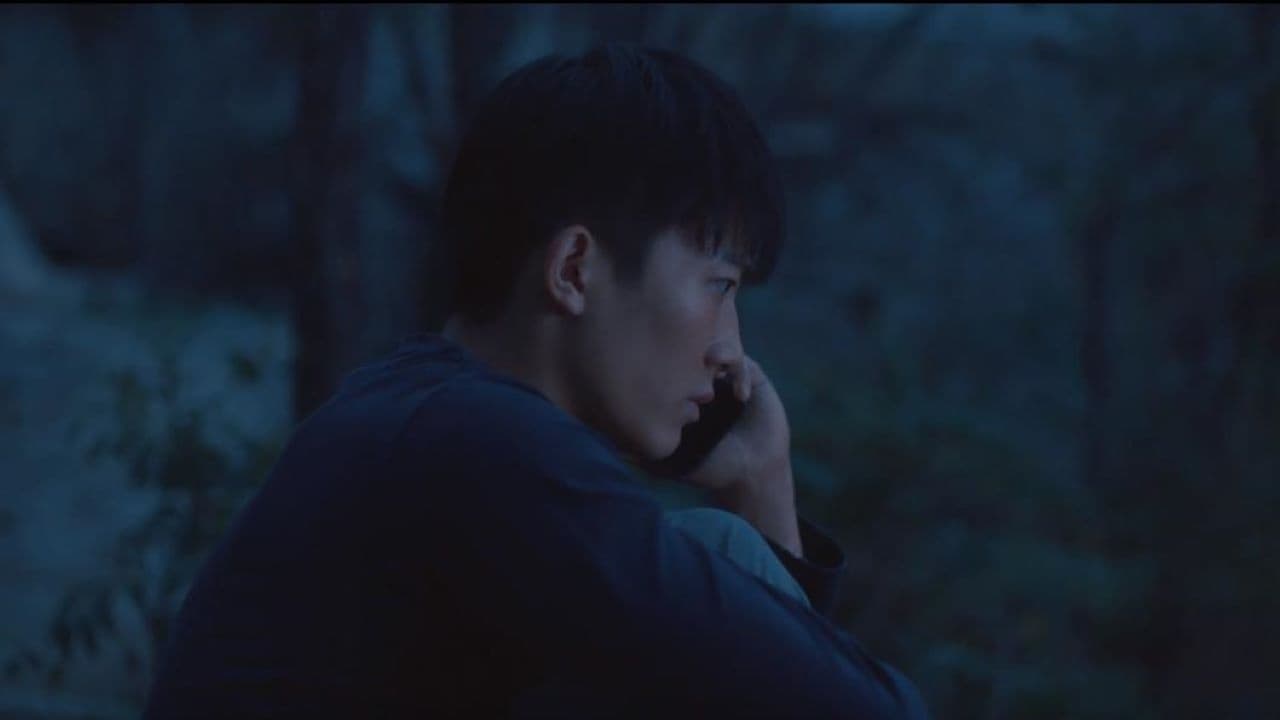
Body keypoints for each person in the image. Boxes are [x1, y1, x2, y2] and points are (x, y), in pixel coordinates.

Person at [143, 42, 931, 718]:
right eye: (718, 285)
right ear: (574, 270)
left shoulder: (418, 413)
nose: (731, 351)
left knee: (722, 549)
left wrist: (761, 482)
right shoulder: (480, 441)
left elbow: (778, 684)